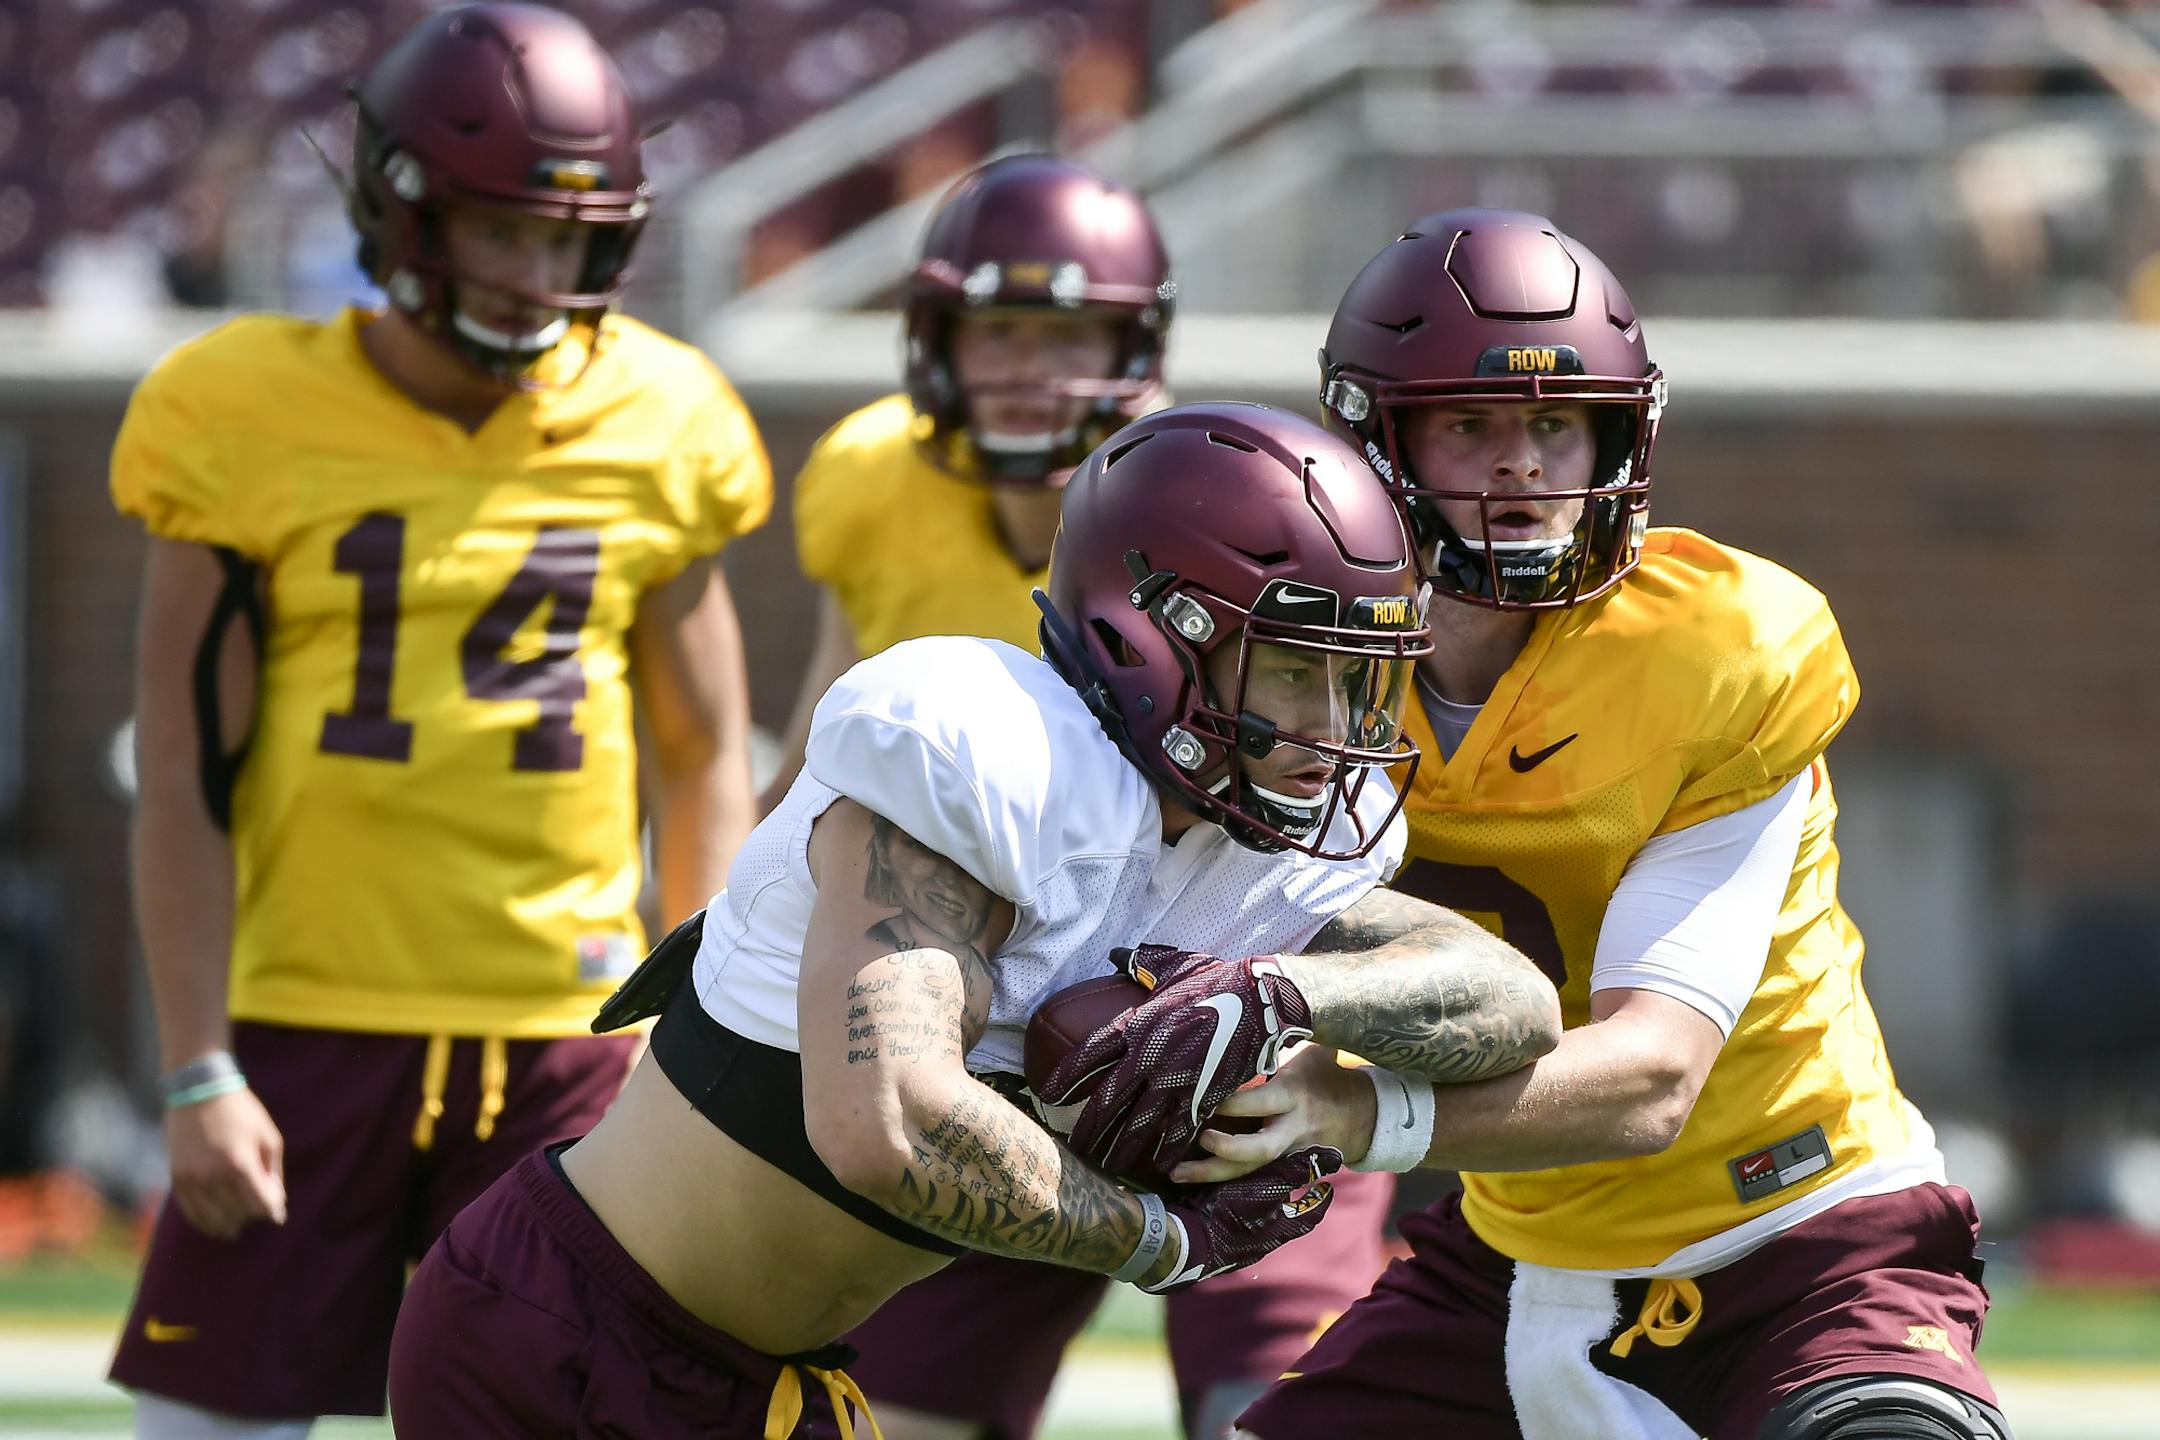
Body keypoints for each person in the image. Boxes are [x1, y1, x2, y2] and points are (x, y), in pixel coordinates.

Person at [385, 402, 1564, 1438]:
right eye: (1297, 670)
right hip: (565, 1331)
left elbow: (1511, 1001)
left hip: (773, 1376)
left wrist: (1290, 995)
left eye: (1358, 676)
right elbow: (889, 1125)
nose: (1340, 726)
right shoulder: (979, 745)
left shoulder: (1258, 839)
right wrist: (1162, 1239)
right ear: (1152, 635)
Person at [1156, 210, 2010, 1440]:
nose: (1524, 466)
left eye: (1557, 423)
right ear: (1372, 438)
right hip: (1509, 1261)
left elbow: (1654, 1074)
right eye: (1471, 423)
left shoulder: (1716, 649)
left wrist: (1353, 1110)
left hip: (1803, 1248)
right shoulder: (1295, 659)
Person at [106, 6, 769, 1435]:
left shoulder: (664, 416)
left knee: (569, 1411)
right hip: (303, 1024)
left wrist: (695, 1023)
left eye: (569, 238)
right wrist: (194, 1059)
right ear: (402, 213)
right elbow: (183, 767)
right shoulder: (239, 410)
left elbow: (708, 748)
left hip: (565, 1030)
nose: (542, 278)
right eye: (504, 233)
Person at [770, 152, 1408, 1440]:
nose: (1027, 370)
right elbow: (814, 751)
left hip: (1226, 1030)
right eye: (998, 332)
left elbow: (1325, 770)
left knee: (1274, 1411)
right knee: (890, 1415)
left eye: (1067, 335)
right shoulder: (868, 481)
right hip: (995, 1047)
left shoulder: (1231, 494)